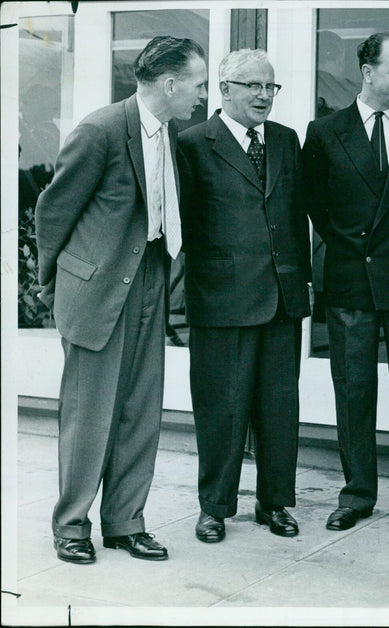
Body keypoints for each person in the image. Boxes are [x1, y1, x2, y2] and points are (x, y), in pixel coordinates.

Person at [35, 36, 208, 564]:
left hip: (149, 280)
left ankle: (125, 523)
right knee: (90, 415)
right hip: (98, 289)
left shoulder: (171, 136)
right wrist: (53, 286)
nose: (203, 96)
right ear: (170, 84)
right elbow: (52, 212)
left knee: (139, 411)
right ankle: (71, 525)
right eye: (198, 85)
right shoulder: (101, 129)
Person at [301, 31, 389, 536]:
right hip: (350, 280)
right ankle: (357, 494)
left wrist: (388, 249)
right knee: (354, 392)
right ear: (367, 73)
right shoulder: (323, 132)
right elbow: (317, 207)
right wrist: (356, 247)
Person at [177, 49, 310, 543]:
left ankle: (274, 504)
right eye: (252, 86)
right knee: (221, 407)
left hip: (281, 298)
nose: (263, 96)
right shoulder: (192, 144)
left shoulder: (285, 140)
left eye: (270, 87)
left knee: (279, 407)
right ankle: (215, 507)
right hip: (221, 302)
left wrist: (302, 282)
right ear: (225, 89)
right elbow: (184, 228)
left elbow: (296, 217)